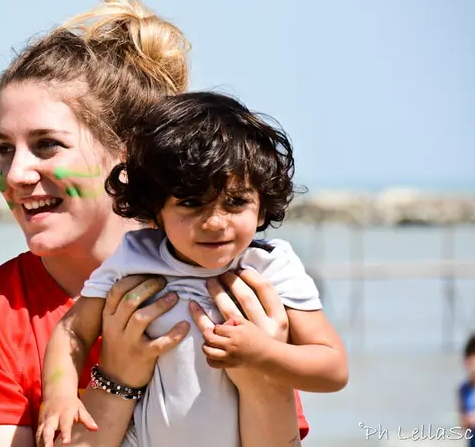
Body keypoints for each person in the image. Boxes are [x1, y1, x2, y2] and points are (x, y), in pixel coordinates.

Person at [0, 0, 312, 447]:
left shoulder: (238, 289)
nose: (17, 173)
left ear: (128, 160)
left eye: (46, 145)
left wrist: (263, 375)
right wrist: (118, 379)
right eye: (5, 149)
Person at [38, 91, 348, 447]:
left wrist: (264, 353)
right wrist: (60, 394)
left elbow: (332, 369)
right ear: (155, 211)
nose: (215, 222)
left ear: (262, 207)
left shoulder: (271, 266)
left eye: (235, 202)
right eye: (190, 203)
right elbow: (72, 332)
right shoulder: (135, 257)